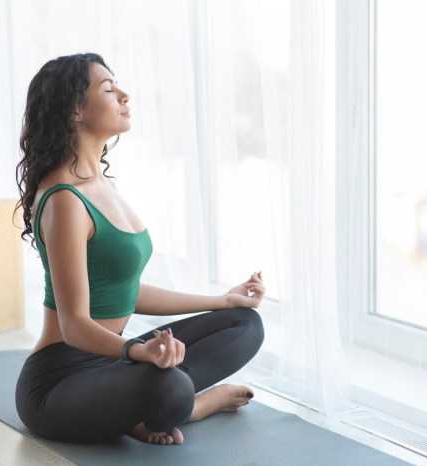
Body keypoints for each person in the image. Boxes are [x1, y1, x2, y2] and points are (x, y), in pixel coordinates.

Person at [14, 52, 265, 446]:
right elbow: (74, 324)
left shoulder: (102, 185)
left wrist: (221, 300)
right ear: (75, 111)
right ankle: (190, 406)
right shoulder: (64, 199)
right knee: (172, 389)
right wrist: (137, 351)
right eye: (109, 89)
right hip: (59, 381)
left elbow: (125, 291)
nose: (125, 96)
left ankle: (142, 410)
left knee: (244, 324)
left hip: (114, 363)